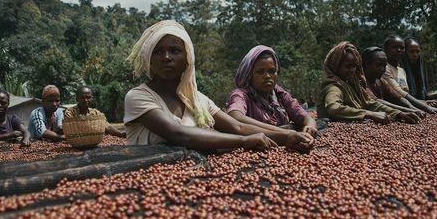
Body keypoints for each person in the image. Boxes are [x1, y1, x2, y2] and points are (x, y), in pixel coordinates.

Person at [124, 20, 314, 152]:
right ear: (149, 61)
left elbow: (238, 126)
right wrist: (244, 142)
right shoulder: (138, 96)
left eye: (174, 51)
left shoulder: (199, 100)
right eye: (158, 52)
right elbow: (177, 133)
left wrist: (287, 136)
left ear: (187, 60)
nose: (166, 57)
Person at [316, 41, 419, 124]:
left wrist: (398, 113)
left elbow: (370, 103)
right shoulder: (333, 87)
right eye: (348, 66)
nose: (352, 70)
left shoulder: (352, 85)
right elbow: (334, 108)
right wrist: (369, 114)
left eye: (354, 66)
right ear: (336, 66)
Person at [226, 45, 318, 136]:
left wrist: (310, 126)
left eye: (272, 71)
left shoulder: (278, 93)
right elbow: (235, 117)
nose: (267, 76)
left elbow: (304, 117)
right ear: (249, 75)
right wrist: (281, 131)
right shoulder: (241, 95)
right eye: (260, 72)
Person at [381, 35, 437, 114]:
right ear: (386, 50)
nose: (399, 50)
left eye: (402, 48)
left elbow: (406, 93)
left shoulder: (401, 70)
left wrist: (424, 102)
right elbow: (399, 92)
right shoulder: (385, 69)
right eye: (394, 48)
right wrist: (425, 107)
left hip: (404, 105)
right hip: (396, 107)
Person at [362, 47, 427, 117]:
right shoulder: (361, 82)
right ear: (366, 64)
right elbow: (377, 102)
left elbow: (398, 97)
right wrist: (409, 110)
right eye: (378, 65)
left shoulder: (380, 81)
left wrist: (412, 107)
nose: (382, 69)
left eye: (384, 66)